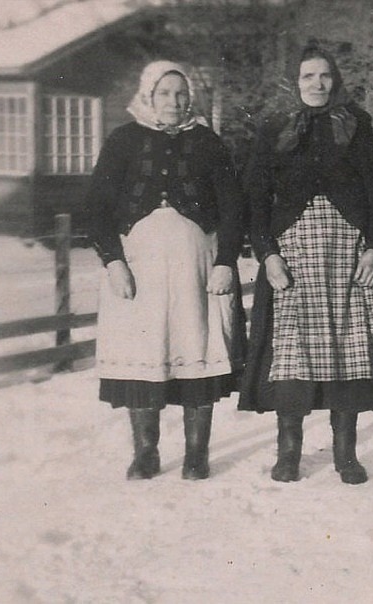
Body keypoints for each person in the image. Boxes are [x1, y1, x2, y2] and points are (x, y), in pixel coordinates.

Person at [239, 47, 373, 485]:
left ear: (335, 79)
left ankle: (346, 452)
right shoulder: (273, 126)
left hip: (348, 250)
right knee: (291, 352)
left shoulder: (356, 123)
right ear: (296, 79)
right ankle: (289, 452)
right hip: (292, 253)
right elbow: (255, 196)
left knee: (348, 349)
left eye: (325, 76)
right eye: (309, 75)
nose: (318, 84)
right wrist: (267, 253)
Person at [87, 60, 244, 481]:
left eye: (180, 94)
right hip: (138, 267)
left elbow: (233, 207)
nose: (173, 102)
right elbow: (97, 208)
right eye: (164, 94)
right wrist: (113, 261)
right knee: (145, 350)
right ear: (148, 96)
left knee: (197, 345)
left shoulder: (208, 142)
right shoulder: (123, 140)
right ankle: (146, 452)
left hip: (197, 264)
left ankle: (196, 454)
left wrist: (227, 260)